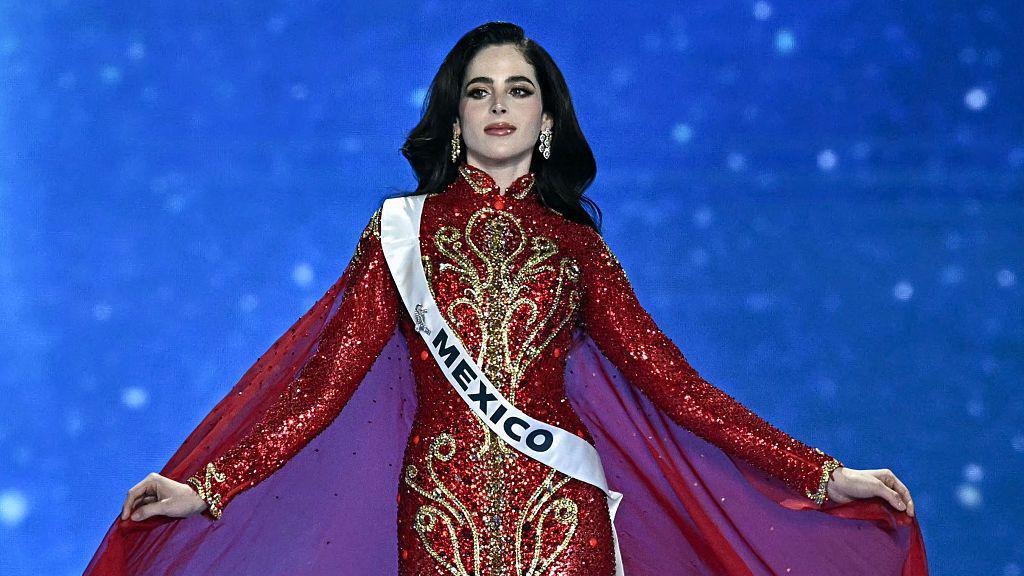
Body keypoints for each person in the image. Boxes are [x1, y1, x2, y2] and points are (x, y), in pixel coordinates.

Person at [86, 21, 928, 576]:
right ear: (454, 116)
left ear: (546, 118)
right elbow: (324, 385)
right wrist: (209, 486)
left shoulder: (578, 248)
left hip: (561, 509)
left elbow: (677, 387)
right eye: (479, 90)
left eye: (519, 89)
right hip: (440, 509)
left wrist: (824, 476)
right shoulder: (399, 230)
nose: (499, 105)